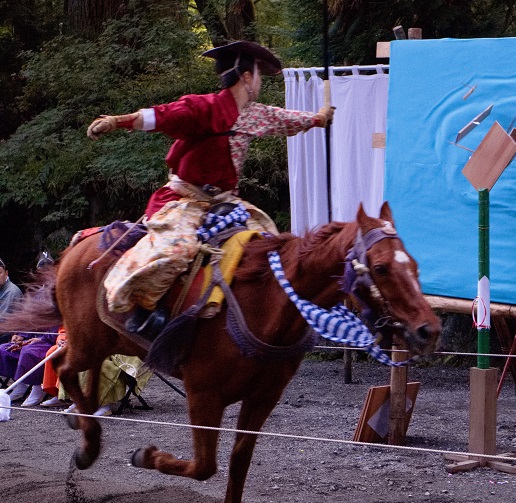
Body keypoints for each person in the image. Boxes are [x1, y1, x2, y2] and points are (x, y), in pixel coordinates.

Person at [86, 40, 334, 335]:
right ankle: (144, 310)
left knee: (272, 242)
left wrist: (318, 119)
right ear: (245, 77)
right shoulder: (203, 108)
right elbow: (163, 115)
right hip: (184, 200)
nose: (260, 82)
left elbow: (284, 120)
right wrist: (117, 121)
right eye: (257, 74)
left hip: (226, 202)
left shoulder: (254, 115)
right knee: (177, 250)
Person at [0, 329, 59, 405]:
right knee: (3, 349)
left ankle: (37, 388)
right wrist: (21, 336)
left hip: (49, 342)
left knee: (29, 353)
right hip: (31, 340)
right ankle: (21, 384)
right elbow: (31, 324)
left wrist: (41, 339)